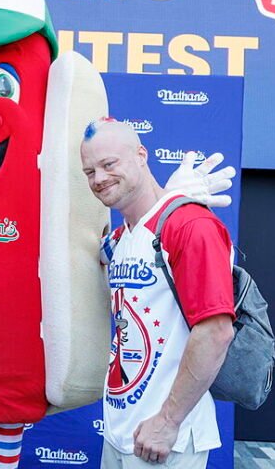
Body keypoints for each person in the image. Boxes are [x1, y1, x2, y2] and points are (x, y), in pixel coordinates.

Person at [80, 118, 235, 468]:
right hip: (121, 433)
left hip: (167, 441)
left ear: (140, 155)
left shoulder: (190, 225)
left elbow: (216, 331)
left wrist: (168, 421)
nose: (99, 179)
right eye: (89, 171)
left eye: (109, 164)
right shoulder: (122, 238)